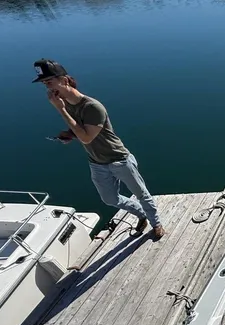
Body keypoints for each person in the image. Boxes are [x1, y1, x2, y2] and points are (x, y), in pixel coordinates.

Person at [33, 59, 165, 238]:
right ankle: (141, 213)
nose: (47, 88)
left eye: (49, 82)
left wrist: (61, 110)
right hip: (97, 162)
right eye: (44, 84)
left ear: (64, 80)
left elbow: (86, 137)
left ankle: (156, 224)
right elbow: (81, 131)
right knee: (110, 199)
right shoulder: (68, 104)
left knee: (141, 193)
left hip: (119, 159)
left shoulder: (92, 107)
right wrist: (70, 134)